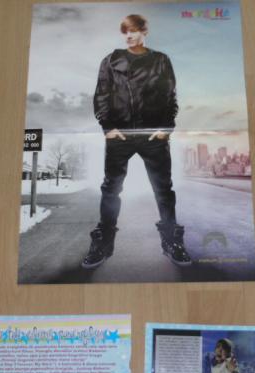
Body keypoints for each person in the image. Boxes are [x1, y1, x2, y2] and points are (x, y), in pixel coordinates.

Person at [82, 13, 192, 269]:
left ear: (144, 31)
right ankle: (103, 243)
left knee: (163, 190)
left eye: (133, 30)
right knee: (111, 189)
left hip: (153, 136)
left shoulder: (161, 60)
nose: (128, 35)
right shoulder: (111, 60)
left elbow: (170, 96)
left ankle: (172, 242)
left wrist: (165, 128)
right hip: (120, 136)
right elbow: (101, 95)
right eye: (125, 31)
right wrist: (108, 128)